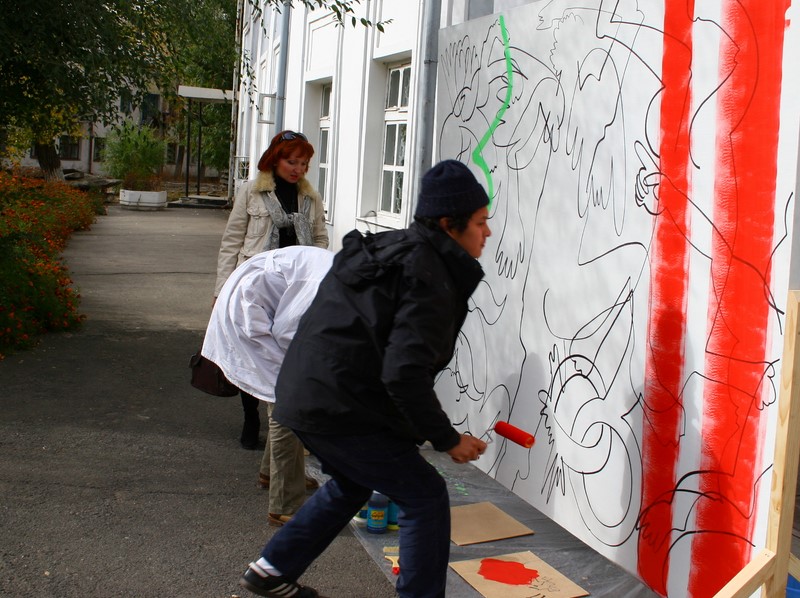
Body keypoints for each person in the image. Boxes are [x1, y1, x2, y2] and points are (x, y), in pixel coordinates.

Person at [238, 160, 492, 598]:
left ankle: (271, 571)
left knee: (354, 483)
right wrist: (447, 438)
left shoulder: (398, 250)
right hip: (336, 405)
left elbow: (376, 352)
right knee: (424, 494)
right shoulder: (427, 275)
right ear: (449, 225)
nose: (487, 232)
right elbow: (404, 373)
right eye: (480, 222)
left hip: (307, 393)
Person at [214, 130, 329, 451]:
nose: (298, 169)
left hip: (293, 291)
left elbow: (321, 238)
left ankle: (282, 420)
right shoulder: (251, 192)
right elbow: (232, 241)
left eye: (303, 163)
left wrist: (314, 268)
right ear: (275, 160)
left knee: (287, 353)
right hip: (254, 287)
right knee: (252, 350)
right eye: (292, 161)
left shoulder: (310, 198)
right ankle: (250, 416)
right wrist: (221, 289)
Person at [203, 246, 334, 526]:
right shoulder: (327, 288)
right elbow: (289, 334)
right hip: (247, 310)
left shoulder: (349, 279)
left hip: (259, 301)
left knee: (289, 396)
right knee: (288, 403)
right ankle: (285, 505)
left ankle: (271, 473)